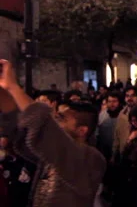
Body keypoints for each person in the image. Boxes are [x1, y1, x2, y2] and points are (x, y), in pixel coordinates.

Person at [0, 59, 106, 207]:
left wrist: (14, 87)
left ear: (82, 130)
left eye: (62, 118)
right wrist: (4, 91)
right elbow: (23, 134)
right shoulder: (51, 155)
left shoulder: (91, 159)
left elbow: (43, 126)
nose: (56, 122)